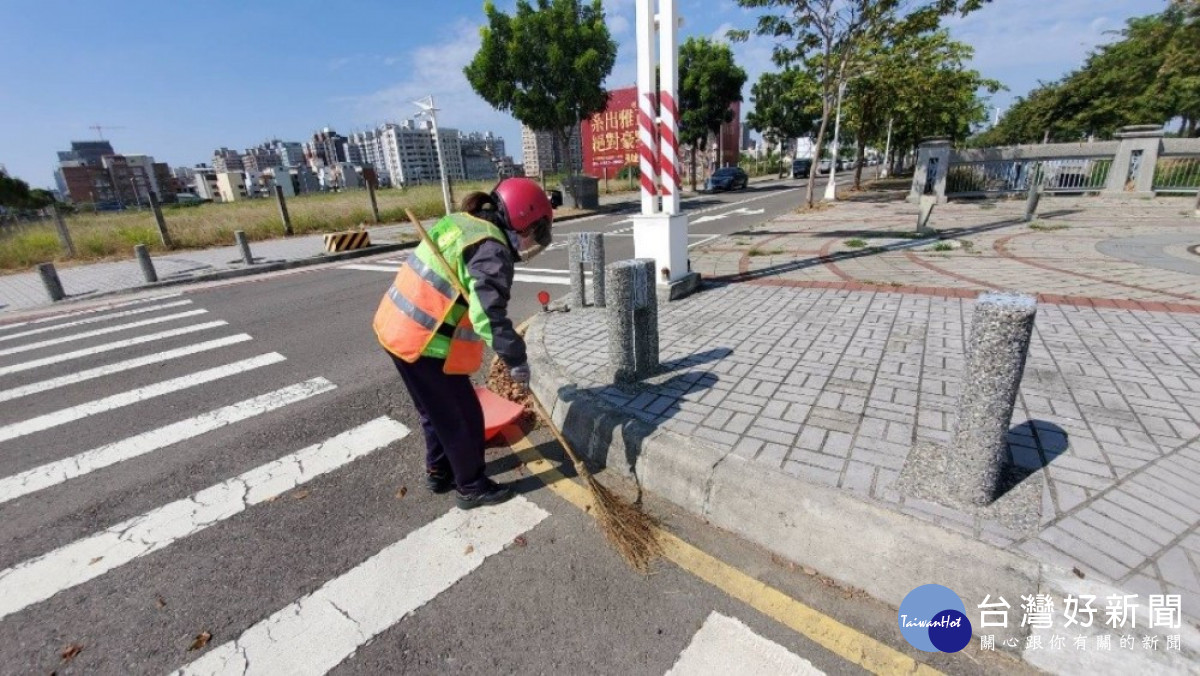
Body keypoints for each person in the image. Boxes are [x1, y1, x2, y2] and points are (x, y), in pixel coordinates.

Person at [373, 178, 553, 509]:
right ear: (521, 217)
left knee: (434, 410)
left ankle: (439, 471)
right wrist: (516, 359)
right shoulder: (492, 249)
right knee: (462, 416)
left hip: (396, 326)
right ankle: (471, 485)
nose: (531, 240)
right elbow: (489, 314)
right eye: (534, 230)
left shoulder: (464, 222)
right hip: (426, 341)